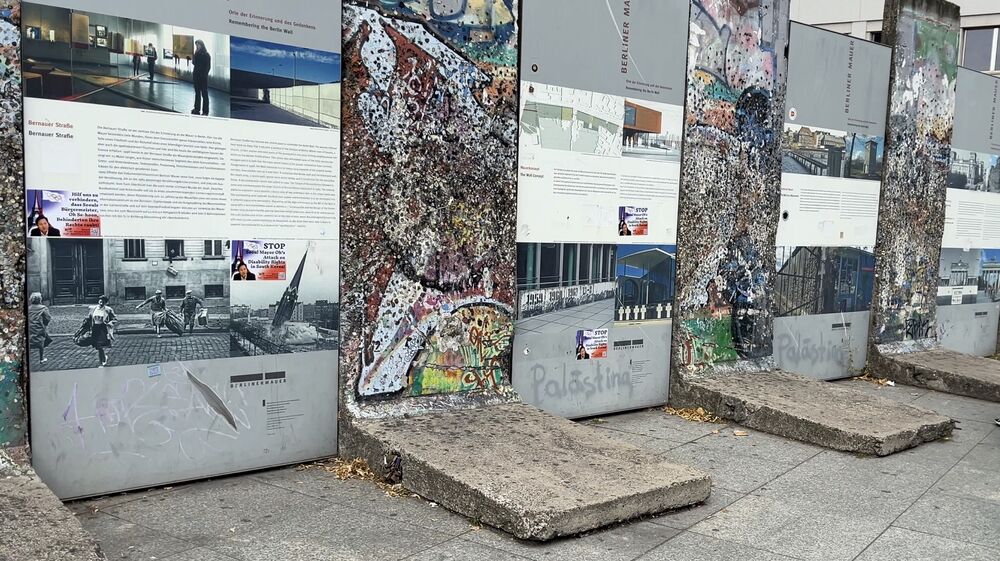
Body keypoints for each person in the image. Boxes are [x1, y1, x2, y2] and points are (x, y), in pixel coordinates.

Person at [76, 295, 116, 367]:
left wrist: (110, 323)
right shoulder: (93, 308)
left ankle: (102, 361)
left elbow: (114, 319)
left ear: (105, 303)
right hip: (95, 328)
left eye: (103, 302)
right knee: (97, 346)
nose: (101, 303)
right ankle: (103, 358)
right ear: (98, 301)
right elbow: (89, 317)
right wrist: (86, 321)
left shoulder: (108, 309)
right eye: (100, 301)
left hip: (103, 329)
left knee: (100, 346)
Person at [27, 292, 51, 364]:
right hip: (38, 327)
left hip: (30, 327)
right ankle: (41, 358)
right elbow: (48, 318)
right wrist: (45, 324)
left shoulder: (29, 308)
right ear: (40, 300)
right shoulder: (43, 308)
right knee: (41, 342)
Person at [191, 39, 211, 115]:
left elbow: (208, 67)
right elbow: (194, 63)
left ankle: (205, 111)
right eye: (196, 45)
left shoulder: (206, 54)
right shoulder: (196, 53)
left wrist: (204, 75)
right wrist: (194, 55)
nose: (197, 46)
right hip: (196, 75)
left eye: (198, 44)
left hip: (203, 77)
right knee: (197, 93)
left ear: (202, 45)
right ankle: (196, 109)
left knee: (204, 94)